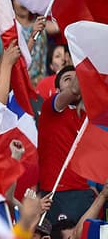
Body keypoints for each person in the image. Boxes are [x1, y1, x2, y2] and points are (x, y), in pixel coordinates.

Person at [38, 66, 93, 223]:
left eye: (77, 77)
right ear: (57, 89)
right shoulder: (51, 107)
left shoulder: (88, 116)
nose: (75, 82)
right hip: (56, 191)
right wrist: (84, 60)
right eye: (68, 79)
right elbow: (75, 90)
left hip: (83, 193)